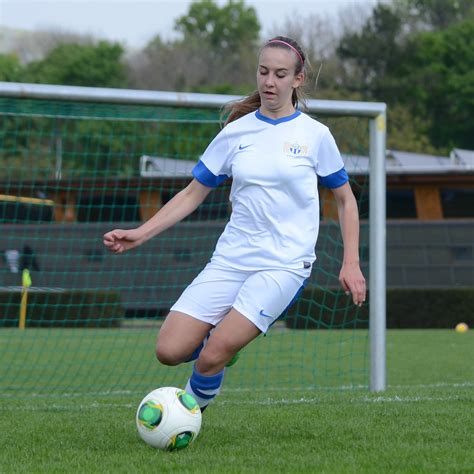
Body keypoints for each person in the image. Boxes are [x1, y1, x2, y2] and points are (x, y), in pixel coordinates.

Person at [103, 36, 366, 412]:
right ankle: (220, 343)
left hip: (283, 265)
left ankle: (187, 417)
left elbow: (345, 199)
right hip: (231, 259)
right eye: (263, 72)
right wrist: (140, 234)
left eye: (279, 74)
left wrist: (351, 262)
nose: (269, 82)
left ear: (298, 79)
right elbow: (192, 193)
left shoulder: (315, 135)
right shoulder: (236, 132)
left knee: (211, 358)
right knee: (168, 350)